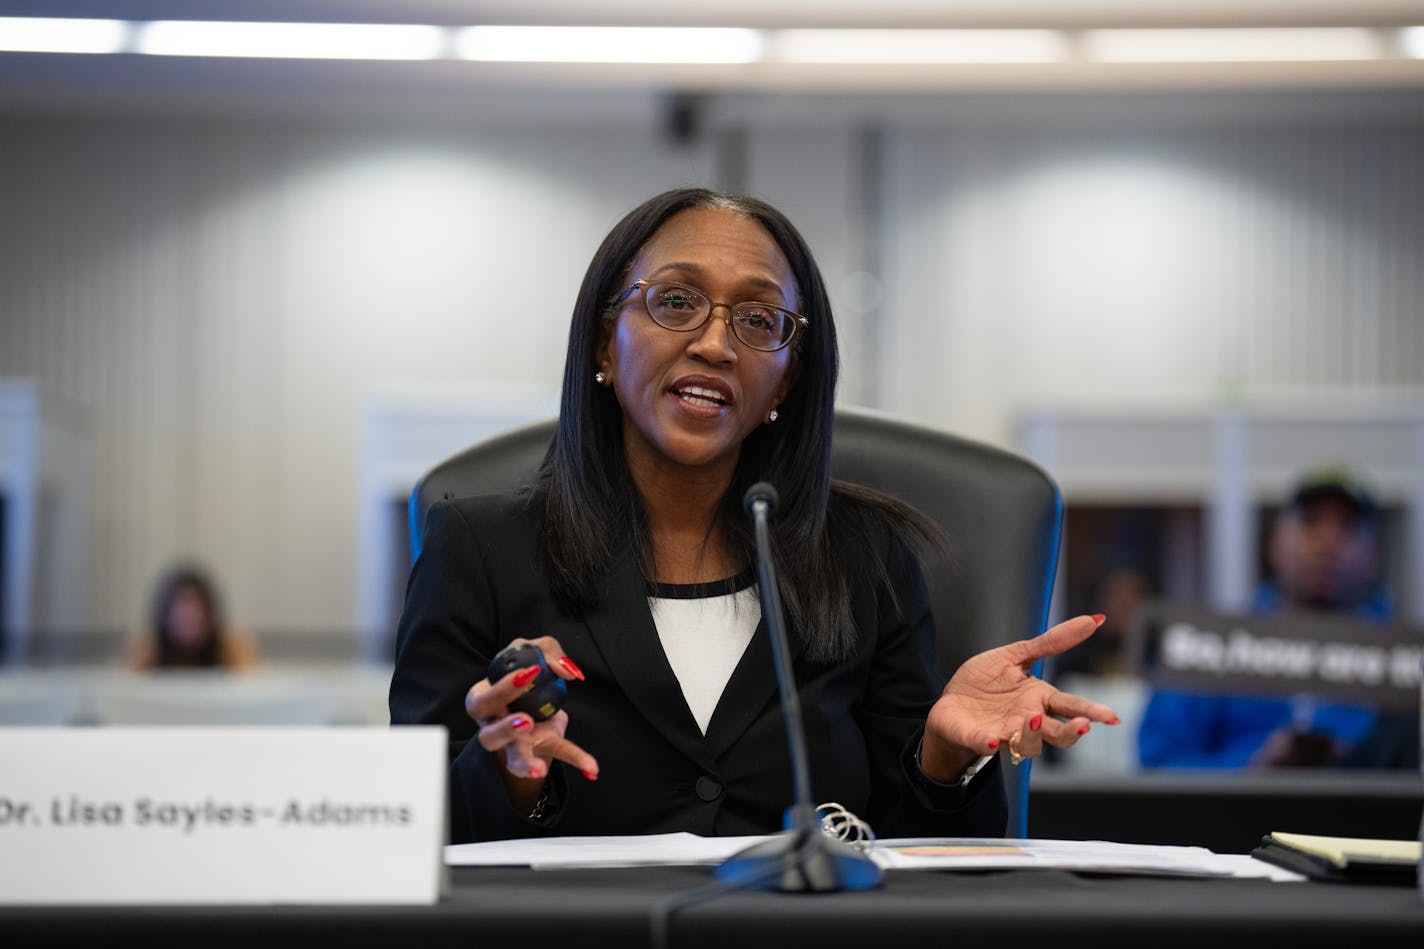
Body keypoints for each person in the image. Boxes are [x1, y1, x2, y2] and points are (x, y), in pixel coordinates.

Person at [388, 187, 1119, 844]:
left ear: (787, 378)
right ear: (604, 344)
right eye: (675, 302)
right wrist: (514, 777)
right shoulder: (479, 551)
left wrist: (944, 757)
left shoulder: (864, 559)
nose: (714, 343)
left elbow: (926, 862)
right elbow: (410, 838)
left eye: (758, 318)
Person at [1137, 467, 1410, 769]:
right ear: (1276, 543)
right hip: (1236, 815)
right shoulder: (1209, 644)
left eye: (1347, 527)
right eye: (1311, 521)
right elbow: (1156, 765)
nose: (1328, 541)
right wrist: (1251, 769)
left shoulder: (1402, 660)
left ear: (1373, 555)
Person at [126, 562, 259, 672]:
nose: (188, 616)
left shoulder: (231, 648)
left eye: (196, 607)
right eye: (180, 606)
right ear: (164, 616)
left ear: (210, 613)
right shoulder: (148, 651)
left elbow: (252, 691)